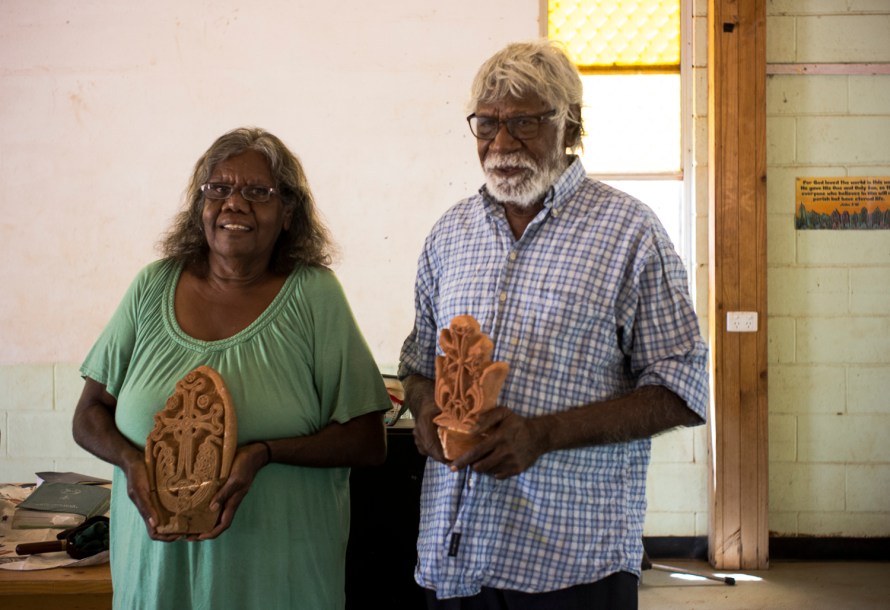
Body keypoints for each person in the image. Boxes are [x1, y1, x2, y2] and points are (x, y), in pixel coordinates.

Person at [399, 40, 709, 609]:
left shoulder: (630, 234)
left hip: (572, 563)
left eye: (524, 122)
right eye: (487, 124)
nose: (501, 143)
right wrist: (423, 409)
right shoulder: (450, 236)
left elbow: (683, 390)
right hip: (454, 558)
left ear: (570, 127)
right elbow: (419, 363)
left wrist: (542, 435)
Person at [72, 127, 392, 609]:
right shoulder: (150, 288)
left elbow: (369, 440)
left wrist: (263, 452)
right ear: (200, 205)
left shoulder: (314, 295)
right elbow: (89, 413)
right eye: (218, 188)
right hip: (158, 585)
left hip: (278, 585)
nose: (234, 204)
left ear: (287, 213)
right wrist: (130, 461)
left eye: (257, 192)